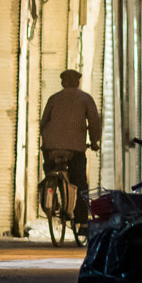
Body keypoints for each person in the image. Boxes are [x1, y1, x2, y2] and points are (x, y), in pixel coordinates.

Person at [40, 68, 102, 210]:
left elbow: (43, 123)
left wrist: (47, 142)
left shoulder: (53, 98)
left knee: (49, 171)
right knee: (79, 181)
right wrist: (94, 141)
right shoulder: (85, 99)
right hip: (75, 149)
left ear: (63, 83)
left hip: (51, 148)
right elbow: (94, 122)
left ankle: (51, 196)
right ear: (78, 83)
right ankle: (82, 220)